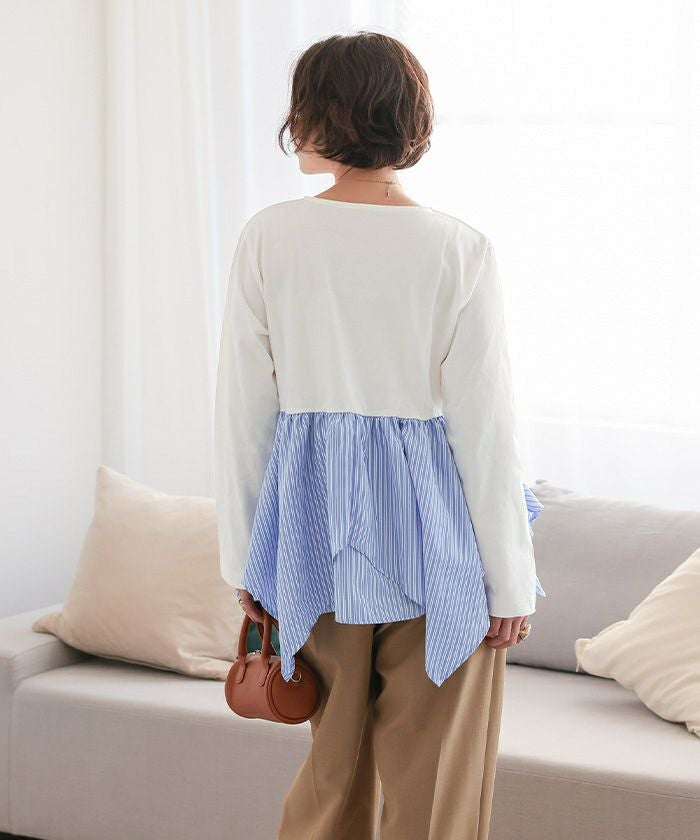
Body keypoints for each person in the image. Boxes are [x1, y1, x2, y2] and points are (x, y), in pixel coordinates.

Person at [213, 30, 546, 840]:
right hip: (439, 545)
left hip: (313, 540)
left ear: (319, 117)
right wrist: (509, 582)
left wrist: (245, 557)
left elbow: (243, 416)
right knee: (437, 796)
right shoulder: (459, 247)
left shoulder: (270, 236)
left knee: (332, 780)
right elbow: (485, 430)